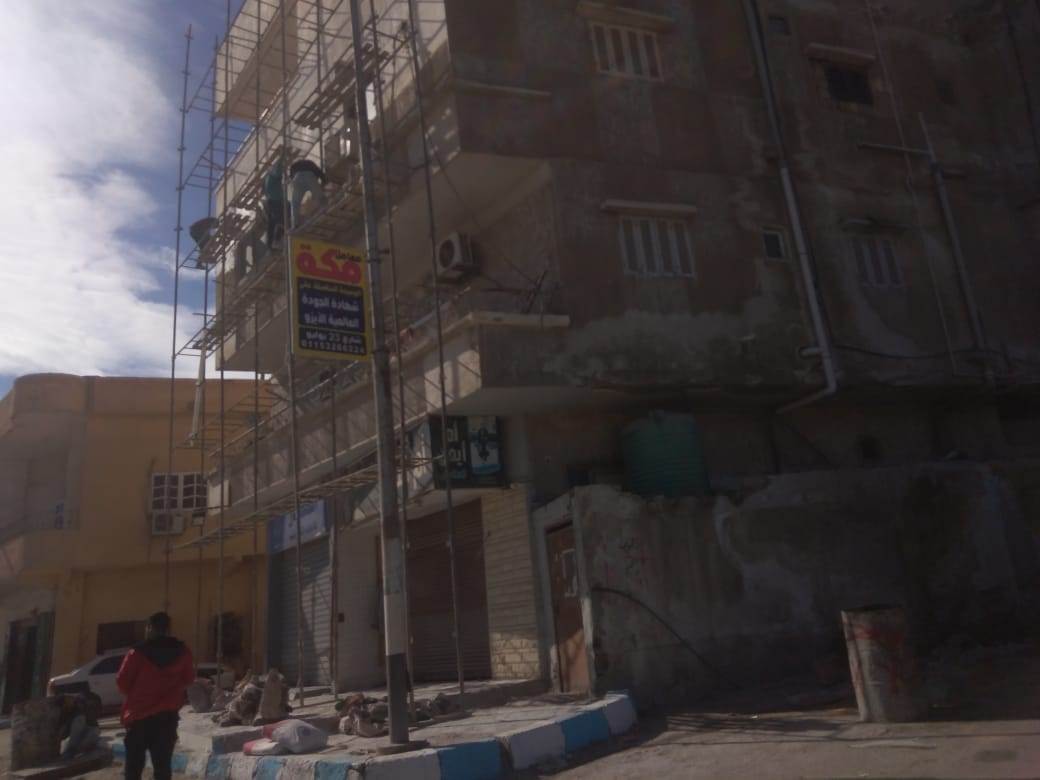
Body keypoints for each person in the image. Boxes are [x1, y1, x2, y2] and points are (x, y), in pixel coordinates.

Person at [116, 612, 195, 780]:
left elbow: (122, 683)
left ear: (150, 628)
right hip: (167, 718)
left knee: (133, 769)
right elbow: (189, 679)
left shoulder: (137, 653)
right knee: (162, 768)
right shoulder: (183, 651)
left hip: (138, 717)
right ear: (168, 629)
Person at [288, 157, 327, 228]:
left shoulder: (294, 165)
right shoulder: (310, 163)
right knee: (320, 196)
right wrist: (322, 185)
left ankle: (295, 224)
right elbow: (321, 174)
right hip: (310, 176)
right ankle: (324, 211)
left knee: (295, 203)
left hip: (297, 178)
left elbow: (291, 178)